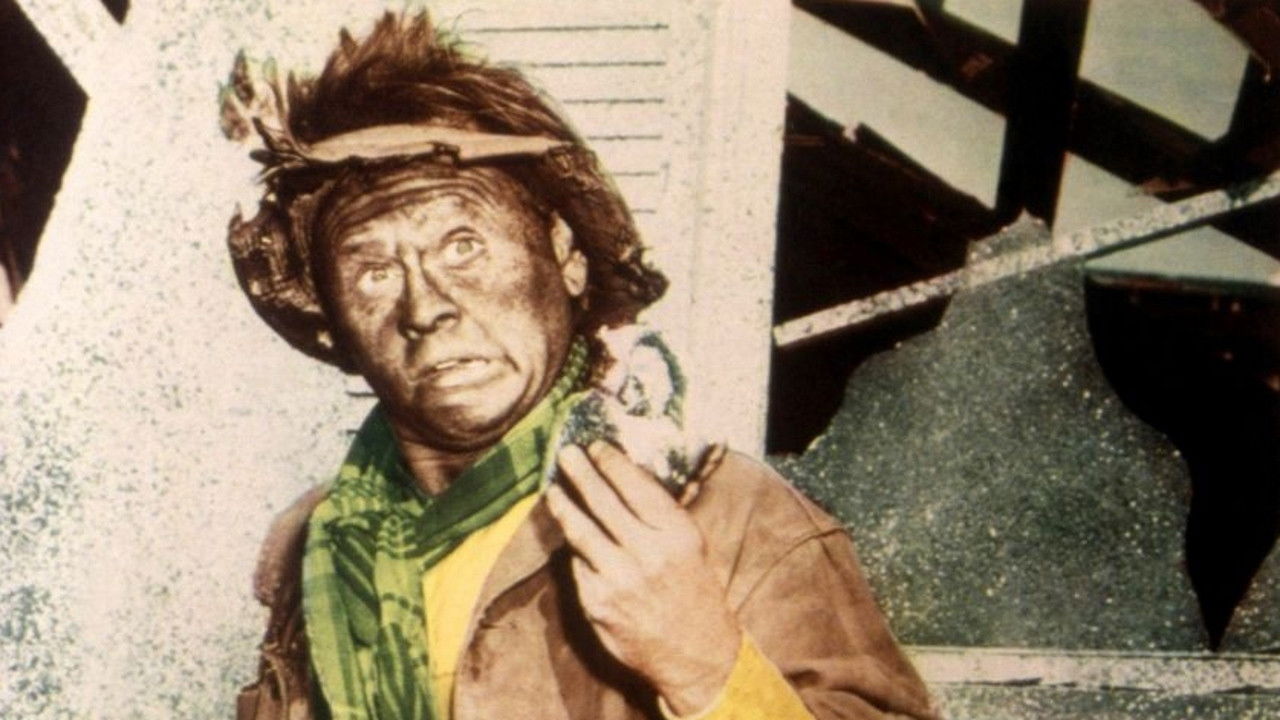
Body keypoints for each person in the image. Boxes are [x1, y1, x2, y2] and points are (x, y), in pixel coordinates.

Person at [226, 11, 936, 720]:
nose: (426, 307)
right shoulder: (323, 546)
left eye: (464, 247)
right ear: (335, 322)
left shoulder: (721, 515)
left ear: (564, 257)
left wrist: (704, 665)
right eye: (374, 271)